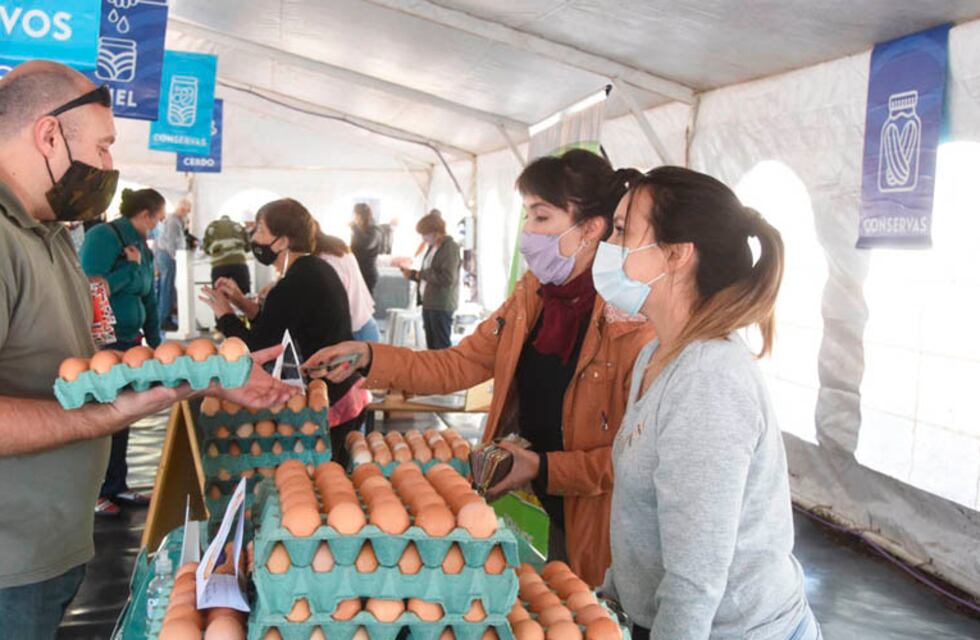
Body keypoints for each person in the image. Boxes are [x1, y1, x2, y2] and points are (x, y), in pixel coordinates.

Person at [0, 61, 294, 638]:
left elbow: (89, 368)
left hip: (48, 548)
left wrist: (209, 375)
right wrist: (104, 416)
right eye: (105, 147)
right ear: (48, 134)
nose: (110, 166)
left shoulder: (51, 231)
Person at [304, 149, 653, 586]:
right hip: (534, 501)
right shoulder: (534, 297)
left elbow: (634, 460)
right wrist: (370, 357)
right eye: (526, 217)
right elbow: (459, 364)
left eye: (541, 218)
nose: (528, 233)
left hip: (597, 522)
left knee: (585, 610)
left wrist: (543, 467)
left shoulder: (630, 321)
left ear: (591, 229)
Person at [598, 167, 819, 640]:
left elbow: (695, 582)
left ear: (676, 255)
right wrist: (611, 598)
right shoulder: (655, 355)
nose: (607, 245)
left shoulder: (708, 381)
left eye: (621, 231)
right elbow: (643, 519)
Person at [201, 199, 370, 467]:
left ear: (281, 241)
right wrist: (242, 303)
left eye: (259, 230)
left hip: (328, 401)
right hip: (344, 393)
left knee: (321, 486)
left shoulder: (295, 283)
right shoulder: (314, 269)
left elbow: (257, 348)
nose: (253, 238)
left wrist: (225, 315)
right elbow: (283, 324)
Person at [80, 188, 165, 516]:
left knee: (122, 416)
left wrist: (157, 342)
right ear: (144, 215)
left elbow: (149, 297)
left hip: (131, 342)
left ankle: (117, 485)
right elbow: (92, 288)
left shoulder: (143, 248)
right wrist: (128, 270)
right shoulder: (104, 237)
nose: (157, 225)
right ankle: (96, 490)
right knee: (103, 415)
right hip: (105, 343)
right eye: (157, 219)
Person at [400, 212, 460, 350]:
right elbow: (428, 275)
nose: (423, 238)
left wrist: (421, 274)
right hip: (430, 302)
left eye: (425, 234)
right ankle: (434, 371)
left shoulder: (450, 247)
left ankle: (444, 372)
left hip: (441, 304)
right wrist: (413, 275)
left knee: (441, 346)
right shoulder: (433, 247)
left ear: (435, 232)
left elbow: (448, 278)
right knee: (432, 346)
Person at [314, 231, 381, 342]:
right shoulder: (339, 250)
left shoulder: (327, 262)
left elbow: (333, 301)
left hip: (357, 332)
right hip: (366, 323)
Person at [154, 197, 191, 332]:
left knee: (167, 287)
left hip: (166, 255)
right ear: (182, 209)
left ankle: (164, 317)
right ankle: (164, 319)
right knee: (167, 288)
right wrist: (176, 258)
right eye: (187, 211)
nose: (188, 213)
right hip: (167, 256)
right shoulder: (173, 221)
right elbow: (171, 242)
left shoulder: (174, 220)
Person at [203, 213, 252, 294]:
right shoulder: (238, 226)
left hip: (219, 265)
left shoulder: (211, 227)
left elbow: (206, 249)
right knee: (244, 295)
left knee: (220, 296)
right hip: (239, 264)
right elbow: (248, 247)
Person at [350, 202, 382, 294]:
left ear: (361, 216)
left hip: (367, 273)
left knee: (365, 305)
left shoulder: (375, 230)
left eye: (356, 216)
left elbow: (366, 244)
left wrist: (355, 228)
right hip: (358, 271)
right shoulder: (360, 230)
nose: (355, 219)